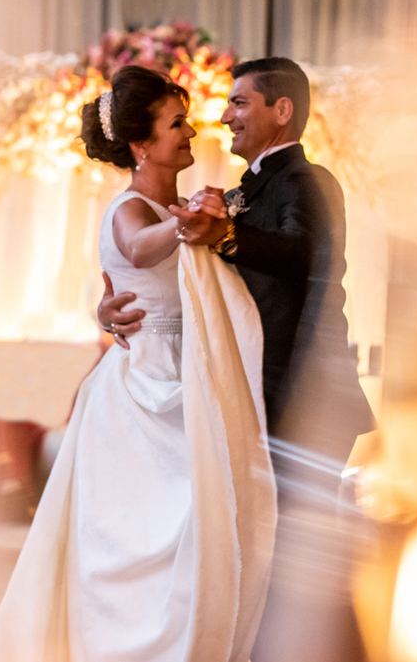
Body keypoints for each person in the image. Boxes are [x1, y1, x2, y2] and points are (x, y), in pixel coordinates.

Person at [0, 65, 277, 662]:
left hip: (193, 376)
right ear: (142, 143)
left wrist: (199, 222)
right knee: (138, 536)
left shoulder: (180, 207)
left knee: (200, 521)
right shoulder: (131, 209)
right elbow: (138, 249)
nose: (190, 132)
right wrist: (189, 226)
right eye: (177, 123)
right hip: (143, 390)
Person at [100, 57, 375, 662]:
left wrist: (223, 234)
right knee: (263, 546)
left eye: (239, 103)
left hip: (303, 396)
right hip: (251, 393)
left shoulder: (308, 181)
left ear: (282, 111)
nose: (224, 117)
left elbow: (305, 253)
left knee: (302, 554)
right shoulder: (244, 190)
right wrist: (111, 307)